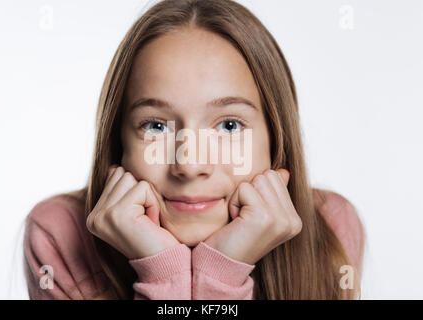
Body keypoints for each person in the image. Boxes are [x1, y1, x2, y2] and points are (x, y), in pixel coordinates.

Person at [23, 0, 365, 300]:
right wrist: (167, 274)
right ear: (119, 143)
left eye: (229, 126)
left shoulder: (330, 227)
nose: (189, 164)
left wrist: (217, 275)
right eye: (156, 126)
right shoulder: (59, 234)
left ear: (276, 139)